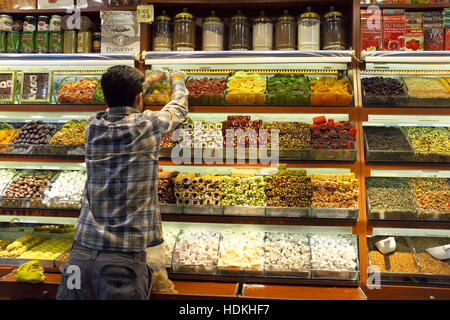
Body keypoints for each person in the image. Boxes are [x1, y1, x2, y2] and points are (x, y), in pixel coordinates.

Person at [56, 65, 188, 300]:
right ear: (140, 98)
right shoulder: (147, 125)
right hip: (122, 263)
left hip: (80, 255)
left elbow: (125, 100)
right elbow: (178, 108)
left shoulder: (92, 125)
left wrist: (146, 83)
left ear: (105, 99)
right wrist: (177, 78)